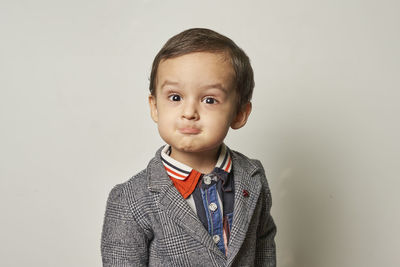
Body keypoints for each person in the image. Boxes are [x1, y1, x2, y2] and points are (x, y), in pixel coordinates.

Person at [101, 28, 276, 267]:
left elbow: (264, 249)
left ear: (239, 114)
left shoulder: (252, 176)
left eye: (209, 100)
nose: (189, 112)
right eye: (175, 97)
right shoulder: (130, 199)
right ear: (154, 107)